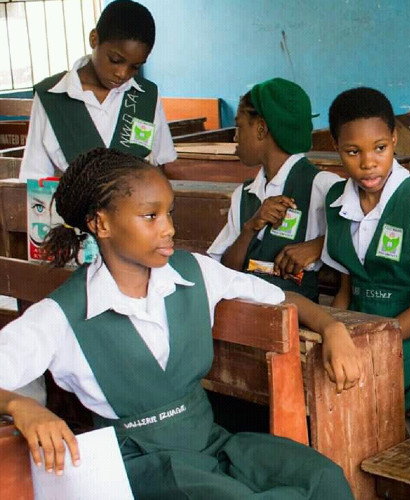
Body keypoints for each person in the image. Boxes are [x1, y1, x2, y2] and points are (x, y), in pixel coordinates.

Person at [0, 148, 359, 498]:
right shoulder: (63, 315)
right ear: (101, 223)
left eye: (169, 213)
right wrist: (22, 406)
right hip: (142, 469)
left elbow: (281, 296)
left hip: (211, 446)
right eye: (150, 216)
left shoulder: (192, 272)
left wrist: (332, 328)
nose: (169, 228)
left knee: (321, 477)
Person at [321, 87, 410, 411]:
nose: (369, 163)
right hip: (358, 337)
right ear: (335, 147)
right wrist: (334, 332)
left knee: (344, 391)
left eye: (379, 148)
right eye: (353, 152)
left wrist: (373, 341)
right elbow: (346, 290)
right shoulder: (337, 202)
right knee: (314, 371)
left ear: (395, 139)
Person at [208, 78, 341, 302]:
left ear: (261, 129)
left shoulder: (321, 185)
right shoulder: (245, 195)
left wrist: (317, 246)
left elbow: (363, 237)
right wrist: (251, 227)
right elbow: (225, 271)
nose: (235, 136)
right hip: (245, 316)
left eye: (239, 126)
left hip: (297, 321)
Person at [20, 0, 176, 180]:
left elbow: (160, 166)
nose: (122, 73)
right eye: (115, 60)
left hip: (134, 205)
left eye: (135, 67)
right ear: (94, 39)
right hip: (71, 206)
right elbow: (35, 175)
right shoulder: (51, 95)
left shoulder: (146, 96)